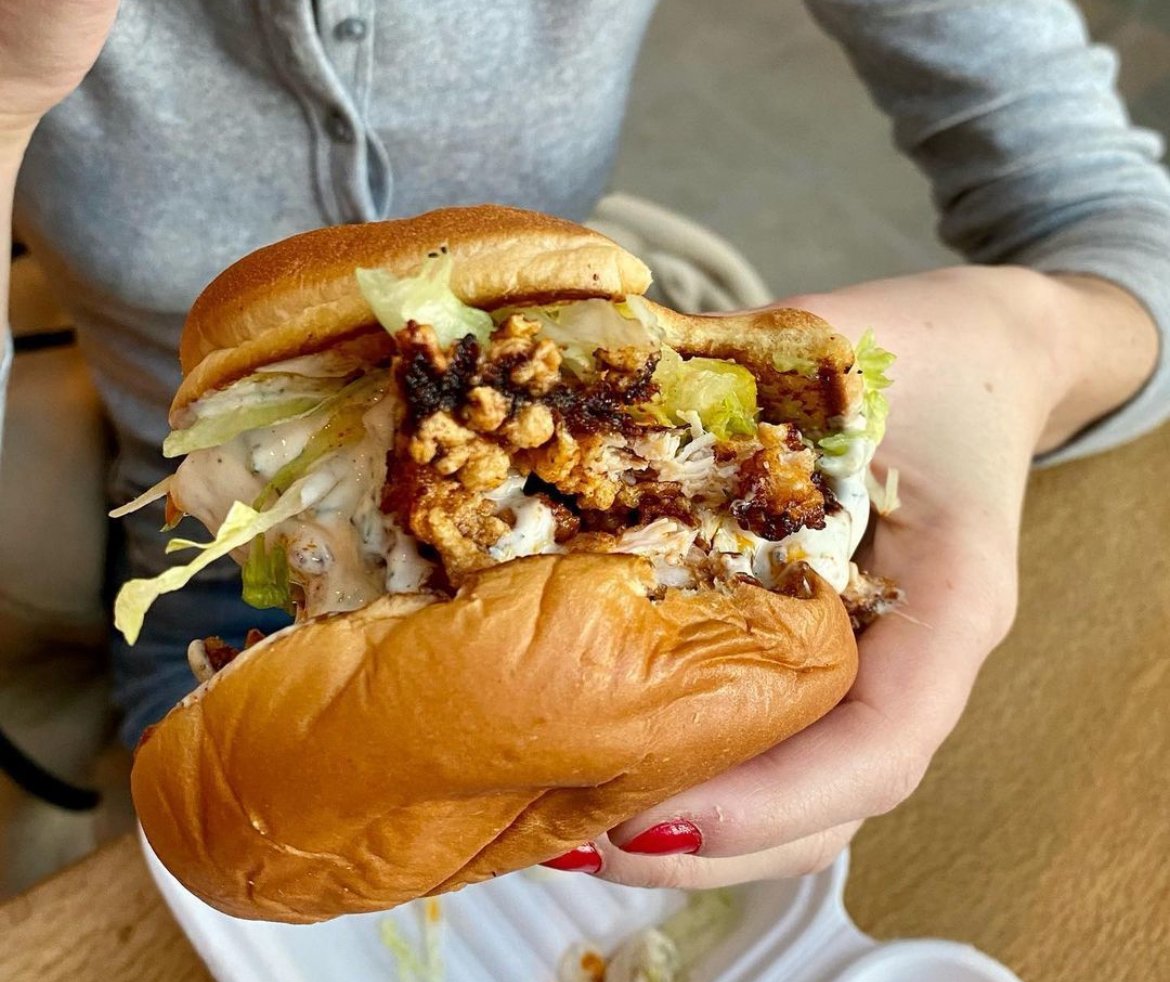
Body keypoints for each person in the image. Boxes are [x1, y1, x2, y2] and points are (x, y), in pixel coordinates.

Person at [1, 1, 1167, 891]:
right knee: (192, 901)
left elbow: (1109, 217)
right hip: (216, 576)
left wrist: (1033, 338)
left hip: (666, 542)